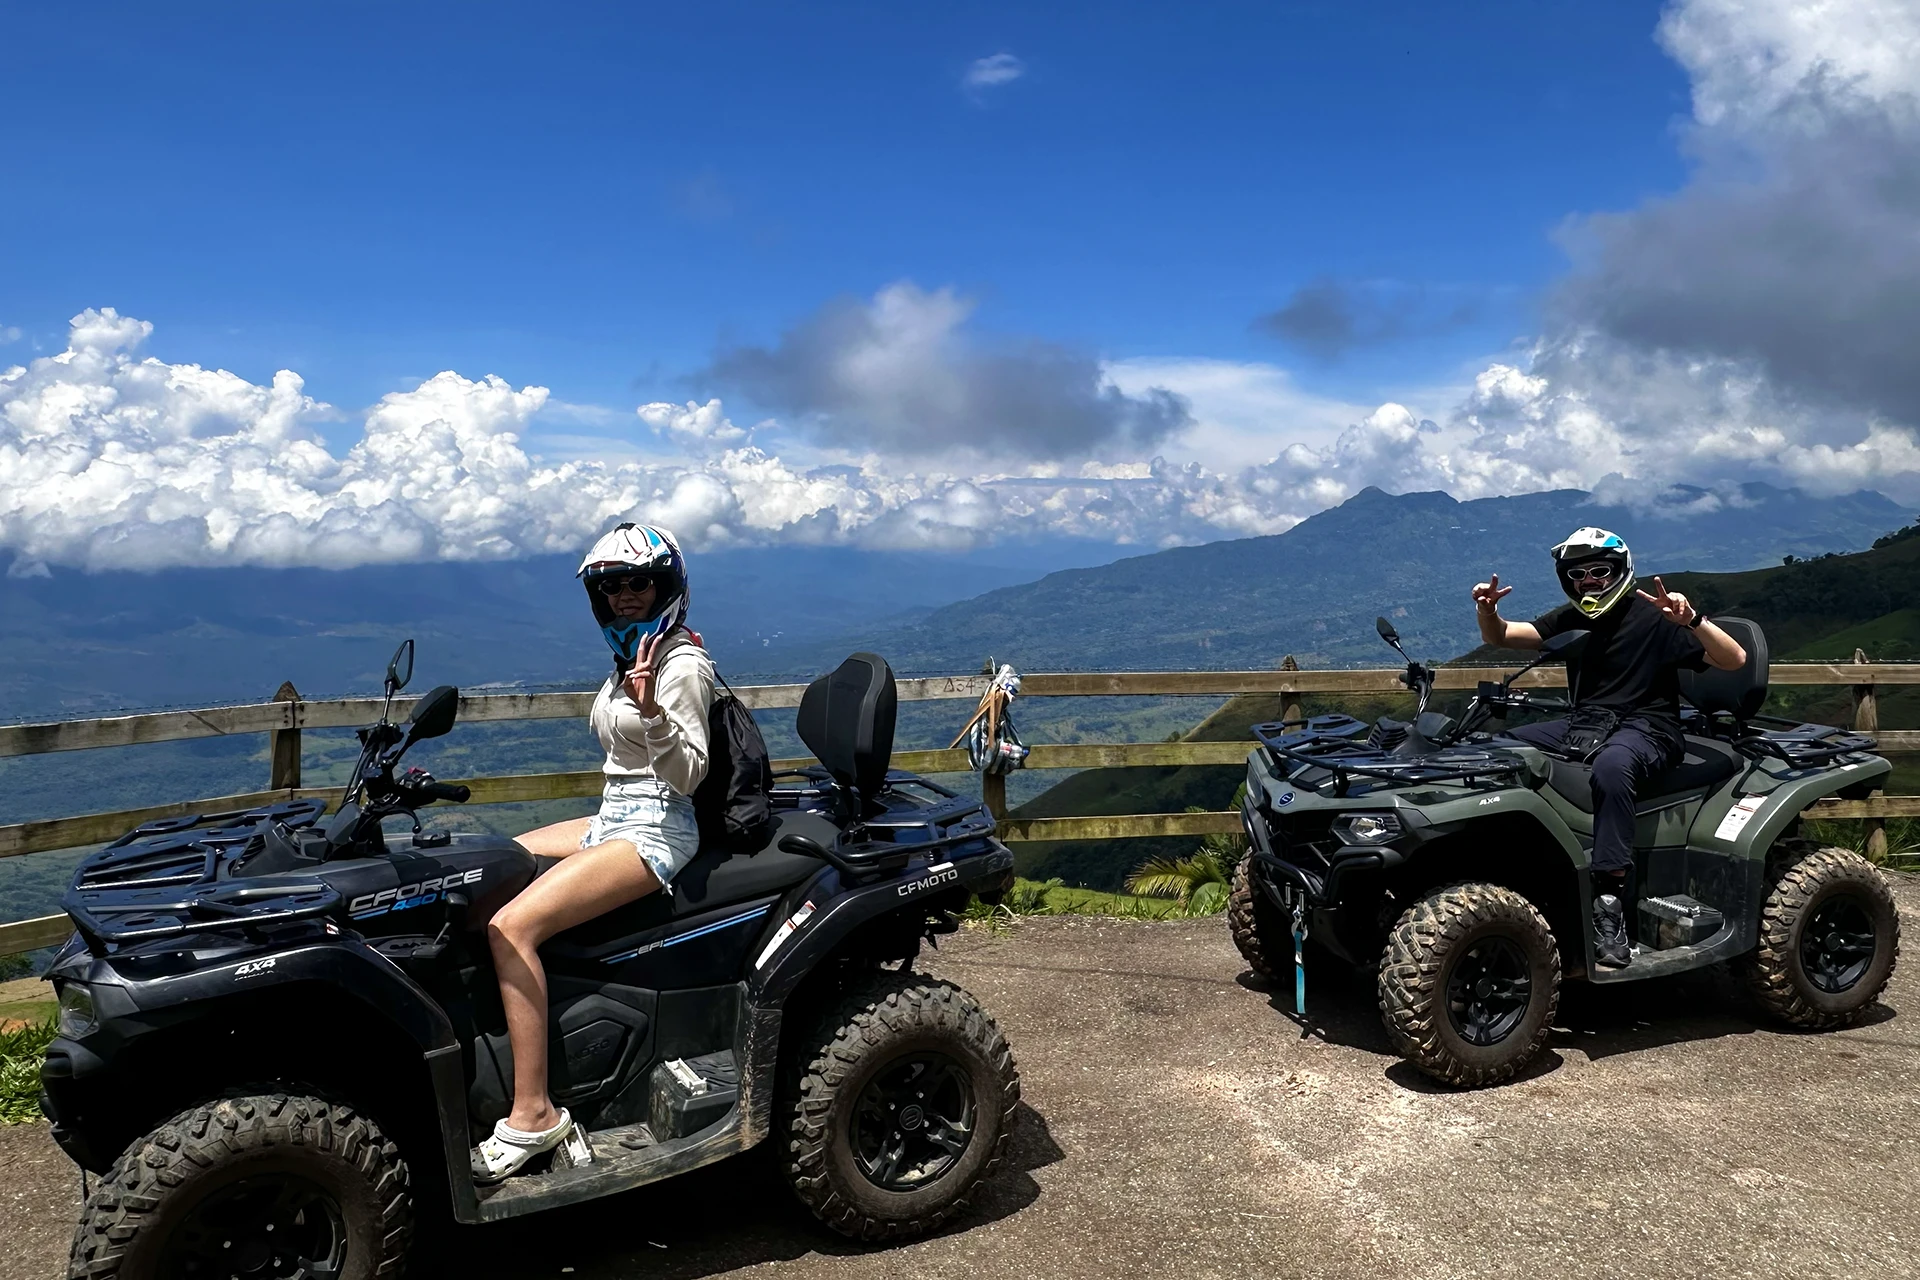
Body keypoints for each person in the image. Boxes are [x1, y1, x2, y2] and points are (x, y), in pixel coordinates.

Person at [471, 523, 716, 1182]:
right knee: (494, 863)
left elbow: (689, 776)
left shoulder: (681, 665)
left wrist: (653, 713)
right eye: (611, 587)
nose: (624, 596)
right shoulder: (632, 657)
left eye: (638, 583)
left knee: (510, 927)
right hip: (614, 817)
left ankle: (534, 1113)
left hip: (657, 829)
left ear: (665, 586)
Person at [1472, 527, 1747, 968]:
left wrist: (1693, 621)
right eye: (1578, 574)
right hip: (1586, 724)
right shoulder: (1572, 618)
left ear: (1620, 570)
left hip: (1650, 725)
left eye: (1599, 571)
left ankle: (1609, 902)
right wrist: (1488, 610)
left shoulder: (1656, 617)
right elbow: (1501, 636)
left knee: (1612, 767)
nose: (1589, 581)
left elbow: (1734, 660)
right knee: (1498, 749)